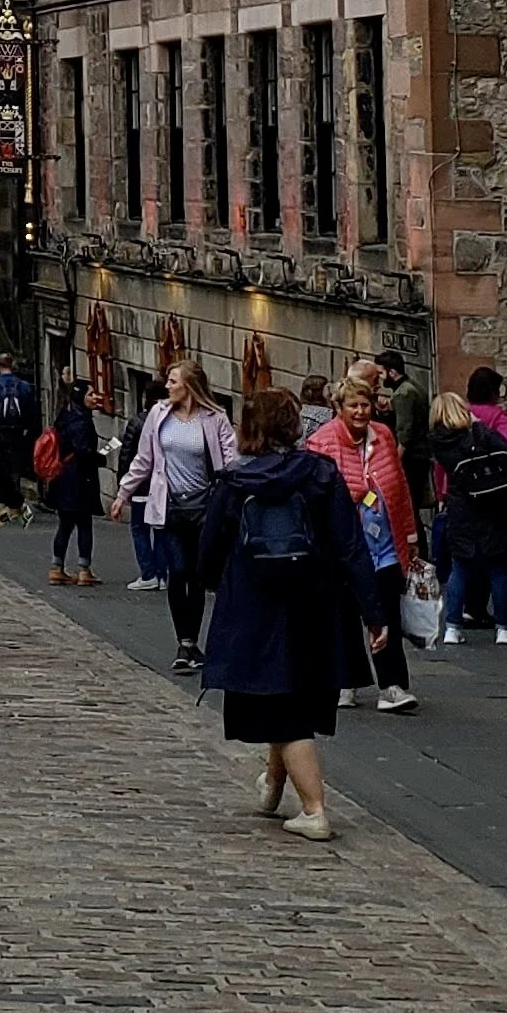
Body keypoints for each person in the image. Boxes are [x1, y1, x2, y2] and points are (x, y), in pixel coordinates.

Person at [198, 384, 384, 841]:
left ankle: (314, 808)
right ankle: (274, 785)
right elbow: (350, 547)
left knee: (285, 709)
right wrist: (373, 612)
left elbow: (207, 553)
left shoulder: (234, 481)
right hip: (314, 603)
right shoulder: (321, 475)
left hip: (254, 606)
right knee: (289, 695)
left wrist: (215, 585)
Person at [113, 359, 240, 678]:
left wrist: (233, 495)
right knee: (177, 571)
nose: (167, 386)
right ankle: (183, 643)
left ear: (190, 386)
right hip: (168, 505)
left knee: (196, 575)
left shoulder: (215, 418)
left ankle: (192, 642)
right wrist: (123, 493)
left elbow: (231, 461)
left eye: (173, 381)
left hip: (204, 508)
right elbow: (144, 459)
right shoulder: (158, 416)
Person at [307, 373, 419, 710]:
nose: (360, 411)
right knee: (343, 617)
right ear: (338, 408)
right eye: (353, 405)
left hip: (384, 545)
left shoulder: (383, 436)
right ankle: (346, 682)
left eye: (365, 404)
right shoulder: (322, 442)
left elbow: (400, 489)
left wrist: (410, 534)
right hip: (343, 548)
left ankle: (393, 685)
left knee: (386, 616)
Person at [431, 388, 507, 645]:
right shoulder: (476, 434)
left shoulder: (440, 442)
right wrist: (478, 425)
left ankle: (452, 626)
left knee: (459, 567)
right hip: (492, 503)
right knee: (497, 567)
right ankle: (503, 628)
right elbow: (506, 447)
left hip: (461, 507)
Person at [42, 370, 102, 584]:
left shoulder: (64, 417)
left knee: (65, 525)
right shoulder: (81, 422)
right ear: (81, 397)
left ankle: (56, 567)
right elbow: (83, 451)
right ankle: (84, 569)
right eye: (91, 394)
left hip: (63, 478)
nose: (95, 398)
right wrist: (100, 458)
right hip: (79, 479)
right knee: (84, 524)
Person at [374, 347, 432, 519]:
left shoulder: (404, 393)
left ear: (391, 372)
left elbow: (404, 431)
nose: (379, 378)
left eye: (381, 373)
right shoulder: (411, 386)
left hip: (413, 458)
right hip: (419, 454)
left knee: (409, 508)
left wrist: (395, 463)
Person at [0, 350, 33, 514]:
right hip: (17, 434)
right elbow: (31, 412)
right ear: (12, 365)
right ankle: (14, 501)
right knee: (15, 467)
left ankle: (0, 501)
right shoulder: (24, 387)